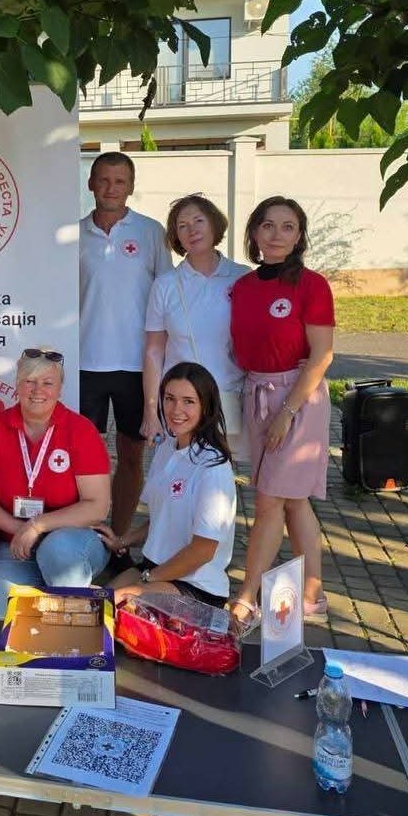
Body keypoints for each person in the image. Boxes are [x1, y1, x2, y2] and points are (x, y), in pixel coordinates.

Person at [227, 197, 335, 627]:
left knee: (270, 500)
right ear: (254, 232)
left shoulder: (312, 285)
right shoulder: (243, 287)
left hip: (298, 398)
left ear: (299, 236)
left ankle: (247, 597)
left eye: (287, 226)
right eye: (267, 225)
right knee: (293, 500)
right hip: (257, 393)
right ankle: (312, 594)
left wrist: (287, 412)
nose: (276, 235)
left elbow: (322, 355)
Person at [0, 347, 111, 619]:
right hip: (17, 542)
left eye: (47, 383)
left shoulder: (80, 430)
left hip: (72, 540)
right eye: (29, 381)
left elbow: (97, 507)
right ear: (17, 385)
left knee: (57, 551)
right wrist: (20, 529)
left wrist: (38, 525)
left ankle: (72, 629)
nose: (37, 390)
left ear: (60, 388)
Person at [79, 152, 171, 536]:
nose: (111, 188)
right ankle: (85, 535)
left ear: (131, 186)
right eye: (103, 180)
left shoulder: (151, 232)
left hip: (138, 365)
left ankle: (117, 538)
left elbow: (167, 295)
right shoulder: (73, 235)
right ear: (90, 184)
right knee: (84, 460)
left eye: (119, 181)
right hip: (85, 363)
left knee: (132, 455)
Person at [97, 362, 237, 608]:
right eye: (170, 398)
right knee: (95, 603)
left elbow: (203, 549)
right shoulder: (166, 447)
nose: (176, 409)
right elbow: (161, 518)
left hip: (195, 585)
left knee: (113, 607)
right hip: (155, 569)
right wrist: (122, 541)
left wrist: (147, 580)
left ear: (206, 407)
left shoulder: (212, 467)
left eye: (188, 401)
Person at [142, 194, 250, 460]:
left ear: (214, 224)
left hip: (229, 399)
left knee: (219, 475)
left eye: (198, 221)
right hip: (179, 405)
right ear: (176, 236)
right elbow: (154, 351)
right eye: (182, 225)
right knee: (176, 476)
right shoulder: (165, 285)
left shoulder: (243, 278)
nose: (192, 230)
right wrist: (150, 410)